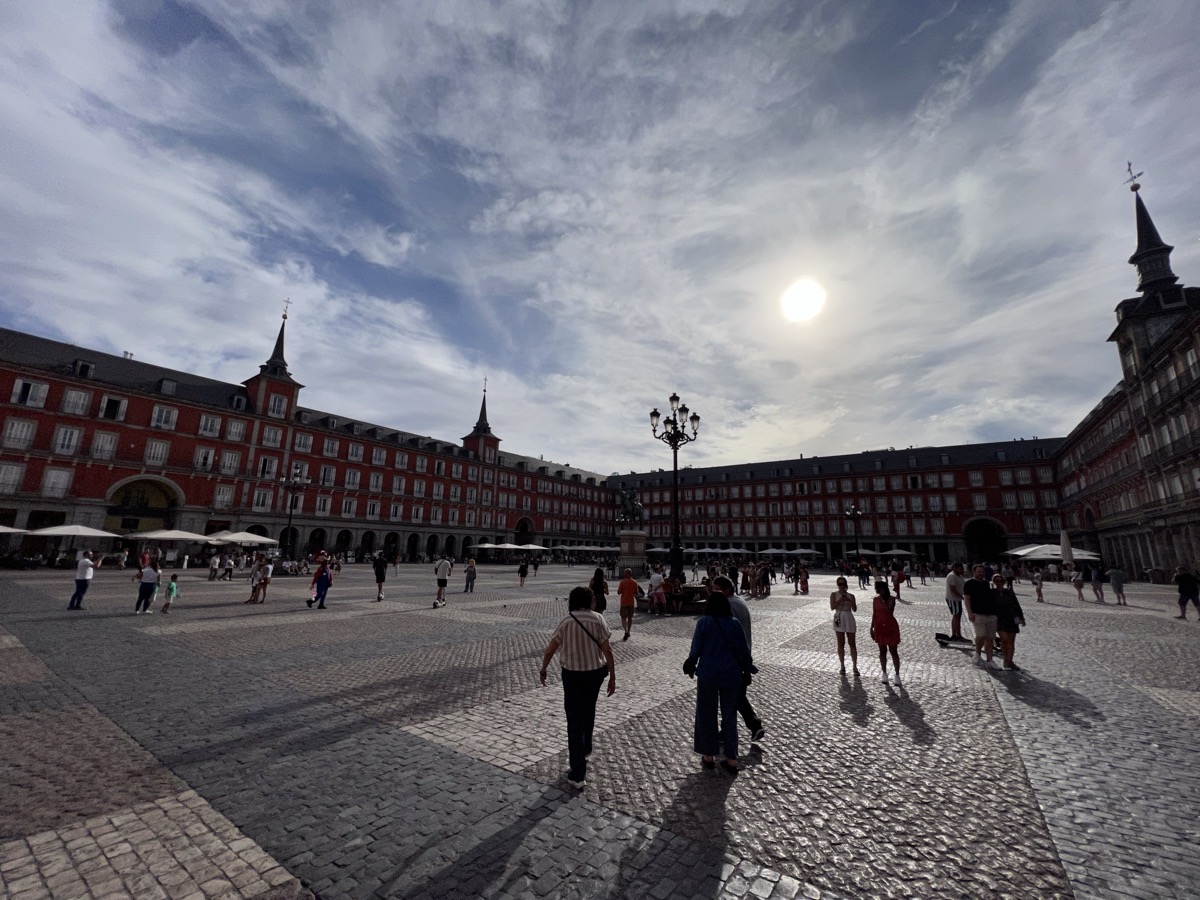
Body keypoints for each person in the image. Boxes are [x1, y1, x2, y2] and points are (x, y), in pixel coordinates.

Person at [539, 586, 616, 789]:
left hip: (572, 675)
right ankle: (586, 747)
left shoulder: (566, 621)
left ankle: (578, 772)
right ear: (590, 600)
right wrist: (613, 676)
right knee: (588, 710)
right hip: (594, 674)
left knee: (574, 719)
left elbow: (550, 649)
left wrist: (544, 668)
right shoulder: (598, 619)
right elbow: (607, 650)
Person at [683, 590, 756, 774]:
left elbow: (696, 648)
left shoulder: (704, 623)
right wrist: (747, 669)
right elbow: (743, 650)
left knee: (707, 713)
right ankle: (731, 759)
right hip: (731, 675)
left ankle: (709, 755)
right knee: (729, 716)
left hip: (708, 674)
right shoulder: (734, 623)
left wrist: (691, 664)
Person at [713, 575, 766, 743]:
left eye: (716, 589)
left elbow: (728, 633)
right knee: (737, 697)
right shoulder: (739, 601)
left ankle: (728, 734)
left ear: (726, 590)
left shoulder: (730, 605)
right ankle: (754, 725)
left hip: (733, 658)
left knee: (731, 697)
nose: (713, 593)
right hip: (741, 656)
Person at [964, 564, 1000, 668]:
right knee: (980, 635)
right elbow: (967, 599)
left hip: (991, 614)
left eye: (982, 572)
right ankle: (977, 653)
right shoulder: (968, 584)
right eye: (979, 572)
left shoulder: (987, 583)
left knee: (990, 638)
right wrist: (970, 613)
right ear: (974, 572)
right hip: (978, 614)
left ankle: (989, 660)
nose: (981, 573)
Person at [870, 581, 902, 684]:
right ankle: (884, 673)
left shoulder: (891, 599)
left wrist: (882, 601)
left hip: (891, 626)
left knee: (893, 651)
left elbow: (889, 610)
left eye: (882, 589)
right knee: (882, 651)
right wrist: (871, 627)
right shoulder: (875, 600)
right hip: (879, 626)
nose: (880, 591)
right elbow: (874, 614)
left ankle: (897, 674)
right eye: (879, 589)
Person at [993, 574, 1026, 670]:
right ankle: (1006, 660)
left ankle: (1009, 661)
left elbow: (1016, 605)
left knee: (1011, 641)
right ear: (994, 582)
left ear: (1004, 582)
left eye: (1001, 581)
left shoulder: (1009, 592)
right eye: (997, 581)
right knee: (1004, 639)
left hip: (1011, 618)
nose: (999, 583)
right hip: (999, 619)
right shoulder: (992, 593)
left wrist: (1021, 618)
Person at [830, 576, 859, 676]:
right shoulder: (834, 594)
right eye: (839, 584)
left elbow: (855, 609)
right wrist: (840, 601)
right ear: (837, 585)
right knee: (840, 643)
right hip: (839, 617)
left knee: (852, 643)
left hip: (849, 617)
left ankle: (855, 666)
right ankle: (842, 665)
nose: (841, 586)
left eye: (843, 584)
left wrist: (849, 600)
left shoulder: (851, 595)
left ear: (846, 585)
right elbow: (832, 607)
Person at [944, 562, 967, 641]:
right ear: (955, 568)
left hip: (957, 599)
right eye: (960, 569)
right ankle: (957, 635)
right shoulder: (952, 576)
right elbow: (952, 588)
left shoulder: (958, 575)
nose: (961, 570)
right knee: (956, 616)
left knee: (957, 616)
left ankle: (956, 634)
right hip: (953, 599)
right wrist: (962, 597)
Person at [617, 568, 638, 640]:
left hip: (624, 602)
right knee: (630, 617)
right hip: (631, 602)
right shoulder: (634, 582)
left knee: (623, 617)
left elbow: (619, 592)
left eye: (624, 573)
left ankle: (625, 630)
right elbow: (636, 593)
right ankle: (629, 631)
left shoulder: (622, 582)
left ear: (626, 574)